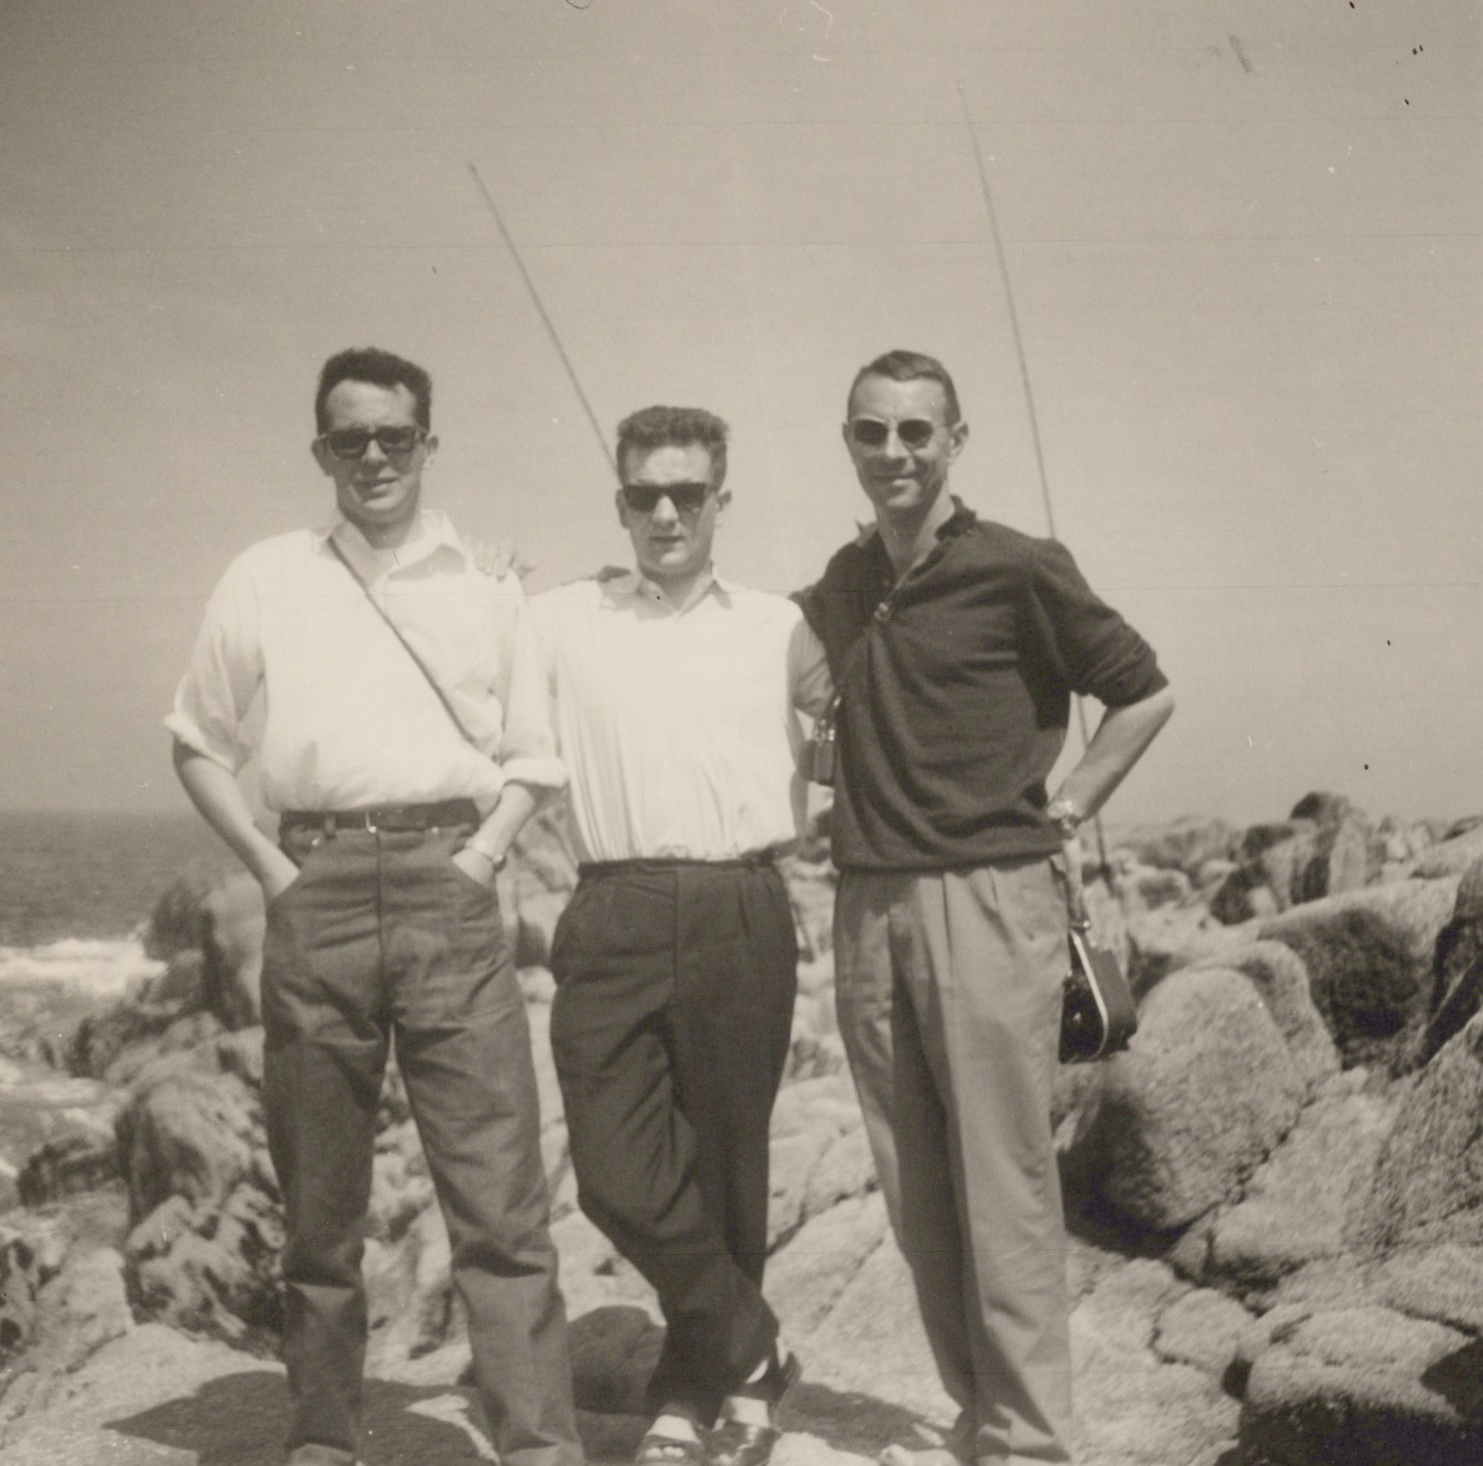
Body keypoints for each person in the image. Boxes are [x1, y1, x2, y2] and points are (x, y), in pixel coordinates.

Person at [167, 347, 582, 1466]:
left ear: (427, 444)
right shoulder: (267, 575)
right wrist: (272, 869)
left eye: (396, 435)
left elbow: (535, 749)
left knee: (498, 1193)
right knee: (319, 1200)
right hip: (319, 885)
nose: (374, 457)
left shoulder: (485, 580)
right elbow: (196, 740)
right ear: (321, 452)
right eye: (349, 438)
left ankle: (537, 1441)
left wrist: (481, 857)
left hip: (452, 880)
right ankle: (324, 1434)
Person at [796, 351, 1175, 1466]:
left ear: (955, 440)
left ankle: (1030, 1441)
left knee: (1002, 1182)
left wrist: (1069, 806)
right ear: (848, 441)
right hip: (866, 900)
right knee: (915, 1186)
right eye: (871, 431)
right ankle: (978, 1417)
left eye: (916, 430)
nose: (894, 452)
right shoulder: (842, 581)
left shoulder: (1018, 565)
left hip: (989, 896)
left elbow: (1144, 694)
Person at [531, 406, 831, 1466]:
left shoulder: (779, 626)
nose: (665, 513)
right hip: (610, 900)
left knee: (728, 1163)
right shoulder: (560, 619)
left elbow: (858, 730)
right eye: (644, 494)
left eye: (687, 494)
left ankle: (696, 1394)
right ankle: (752, 1346)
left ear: (720, 502)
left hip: (738, 902)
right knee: (611, 1171)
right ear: (619, 502)